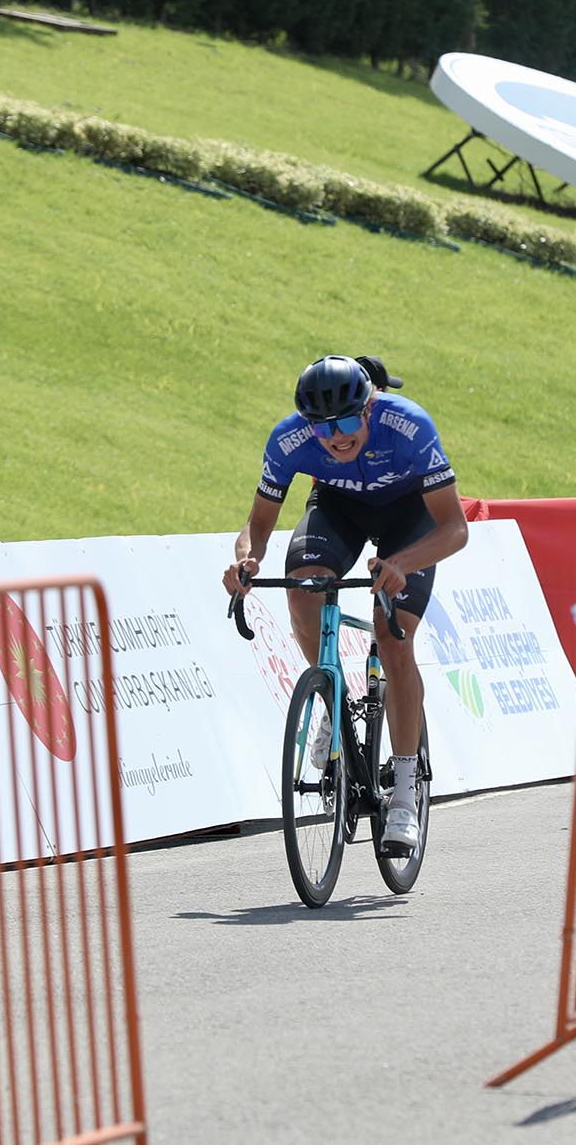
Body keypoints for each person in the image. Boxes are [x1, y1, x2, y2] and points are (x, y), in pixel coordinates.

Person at [223, 354, 468, 853]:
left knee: (393, 634)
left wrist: (402, 562)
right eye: (323, 426)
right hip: (339, 511)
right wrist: (246, 560)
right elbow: (257, 525)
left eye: (348, 421)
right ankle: (332, 698)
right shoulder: (288, 439)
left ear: (370, 407)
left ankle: (402, 793)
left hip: (411, 519)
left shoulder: (409, 425)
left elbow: (455, 529)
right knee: (303, 583)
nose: (336, 436)